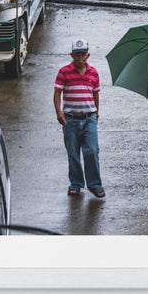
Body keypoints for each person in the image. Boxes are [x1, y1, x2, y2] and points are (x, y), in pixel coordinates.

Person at [53, 39, 104, 198]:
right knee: (73, 153)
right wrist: (59, 112)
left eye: (83, 54)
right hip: (70, 120)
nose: (80, 58)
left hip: (89, 119)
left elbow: (95, 93)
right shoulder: (64, 72)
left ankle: (95, 185)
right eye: (77, 55)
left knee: (92, 151)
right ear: (72, 55)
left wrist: (96, 113)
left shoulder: (93, 72)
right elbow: (57, 93)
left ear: (87, 55)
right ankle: (75, 184)